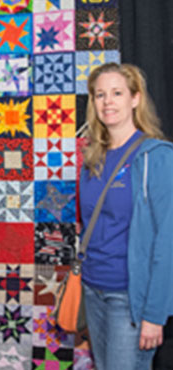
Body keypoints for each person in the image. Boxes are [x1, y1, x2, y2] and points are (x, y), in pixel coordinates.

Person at [79, 62, 173, 370]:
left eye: (117, 93)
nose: (107, 102)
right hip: (92, 289)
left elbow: (167, 242)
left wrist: (154, 315)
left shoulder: (156, 157)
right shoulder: (92, 158)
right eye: (100, 95)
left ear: (135, 99)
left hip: (129, 297)